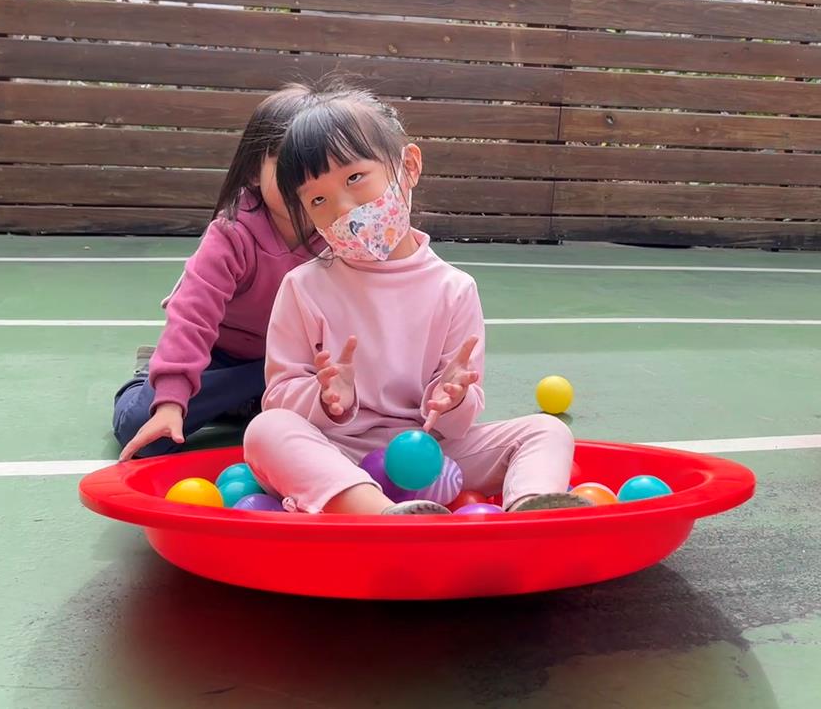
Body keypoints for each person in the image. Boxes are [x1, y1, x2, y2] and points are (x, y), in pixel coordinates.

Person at [243, 87, 587, 514]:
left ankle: (531, 514)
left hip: (429, 458)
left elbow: (460, 416)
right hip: (336, 453)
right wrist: (327, 398)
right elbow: (279, 394)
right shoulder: (302, 287)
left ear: (408, 166)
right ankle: (379, 515)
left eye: (354, 178)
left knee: (547, 431)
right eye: (318, 199)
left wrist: (452, 399)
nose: (343, 208)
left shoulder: (454, 289)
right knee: (266, 430)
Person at [114, 84, 322, 460]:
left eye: (319, 167)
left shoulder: (343, 234)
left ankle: (246, 399)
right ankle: (156, 376)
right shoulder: (232, 233)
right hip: (221, 356)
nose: (304, 182)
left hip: (295, 362)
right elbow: (192, 317)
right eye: (288, 166)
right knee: (141, 429)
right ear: (255, 171)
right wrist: (170, 402)